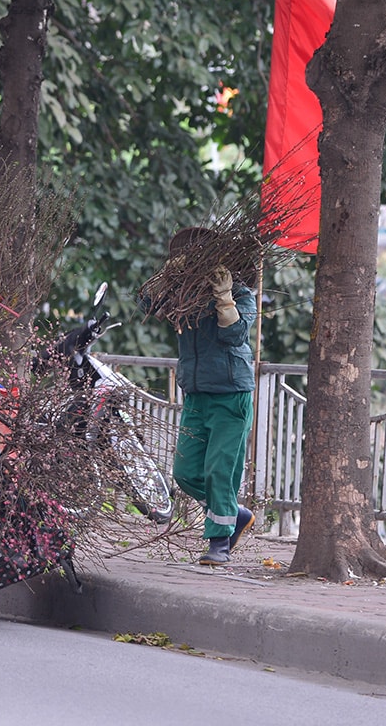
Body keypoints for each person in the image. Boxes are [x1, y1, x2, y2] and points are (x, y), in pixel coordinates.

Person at [156, 227, 257, 566]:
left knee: (218, 470)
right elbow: (147, 303)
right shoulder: (186, 297)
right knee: (185, 473)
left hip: (232, 395)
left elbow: (237, 335)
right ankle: (234, 514)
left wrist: (225, 299)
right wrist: (168, 278)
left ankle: (219, 544)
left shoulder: (241, 295)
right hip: (196, 395)